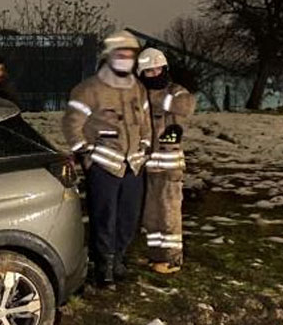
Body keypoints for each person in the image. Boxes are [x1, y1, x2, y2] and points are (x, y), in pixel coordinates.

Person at [61, 30, 152, 288]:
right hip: (104, 165)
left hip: (133, 165)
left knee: (128, 217)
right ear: (109, 55)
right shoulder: (89, 89)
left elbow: (145, 124)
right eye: (120, 54)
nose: (125, 58)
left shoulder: (138, 89)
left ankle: (119, 258)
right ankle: (104, 267)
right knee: (104, 217)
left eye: (130, 54)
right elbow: (71, 125)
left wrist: (144, 147)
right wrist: (86, 154)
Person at [137, 48, 196, 274]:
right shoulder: (141, 95)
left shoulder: (175, 92)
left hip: (170, 168)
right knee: (152, 217)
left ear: (165, 69)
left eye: (157, 69)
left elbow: (186, 106)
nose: (154, 74)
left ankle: (172, 259)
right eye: (149, 71)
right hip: (148, 168)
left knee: (169, 214)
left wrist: (154, 96)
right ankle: (156, 256)